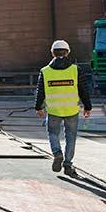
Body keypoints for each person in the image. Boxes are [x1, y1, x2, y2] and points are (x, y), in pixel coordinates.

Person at [35, 39, 92, 178]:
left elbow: (40, 91)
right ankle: (68, 165)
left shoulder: (45, 71)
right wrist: (87, 106)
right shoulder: (75, 70)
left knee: (53, 134)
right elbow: (83, 89)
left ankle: (57, 153)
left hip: (54, 110)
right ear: (67, 53)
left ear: (53, 53)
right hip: (71, 110)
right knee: (71, 138)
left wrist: (38, 107)